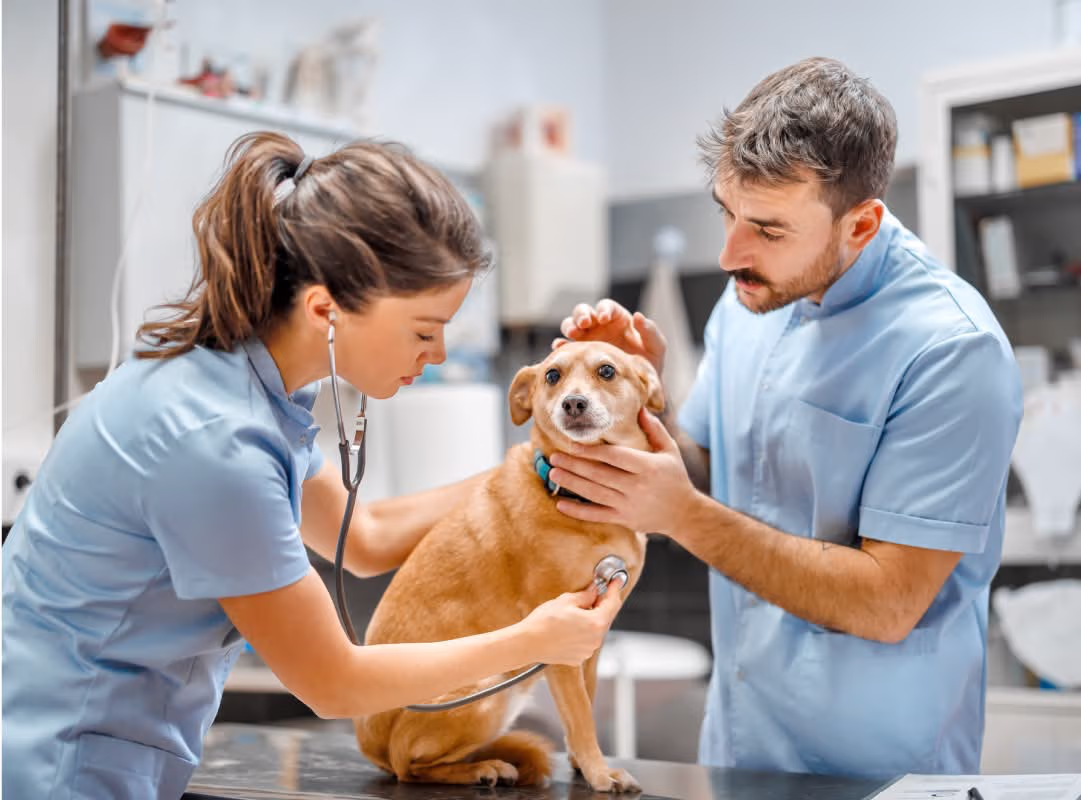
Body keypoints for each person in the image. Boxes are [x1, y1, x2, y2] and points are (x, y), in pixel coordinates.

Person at [1, 132, 623, 799]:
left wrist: (538, 466)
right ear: (324, 309)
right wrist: (533, 640)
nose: (438, 354)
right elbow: (333, 683)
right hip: (61, 768)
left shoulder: (247, 390)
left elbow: (364, 540)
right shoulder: (215, 442)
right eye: (422, 330)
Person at [544, 57, 1023, 778]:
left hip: (877, 774)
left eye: (766, 229)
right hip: (737, 748)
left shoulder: (951, 349)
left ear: (858, 224)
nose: (730, 252)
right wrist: (637, 397)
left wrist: (681, 517)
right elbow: (703, 472)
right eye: (726, 212)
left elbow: (887, 601)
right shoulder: (749, 303)